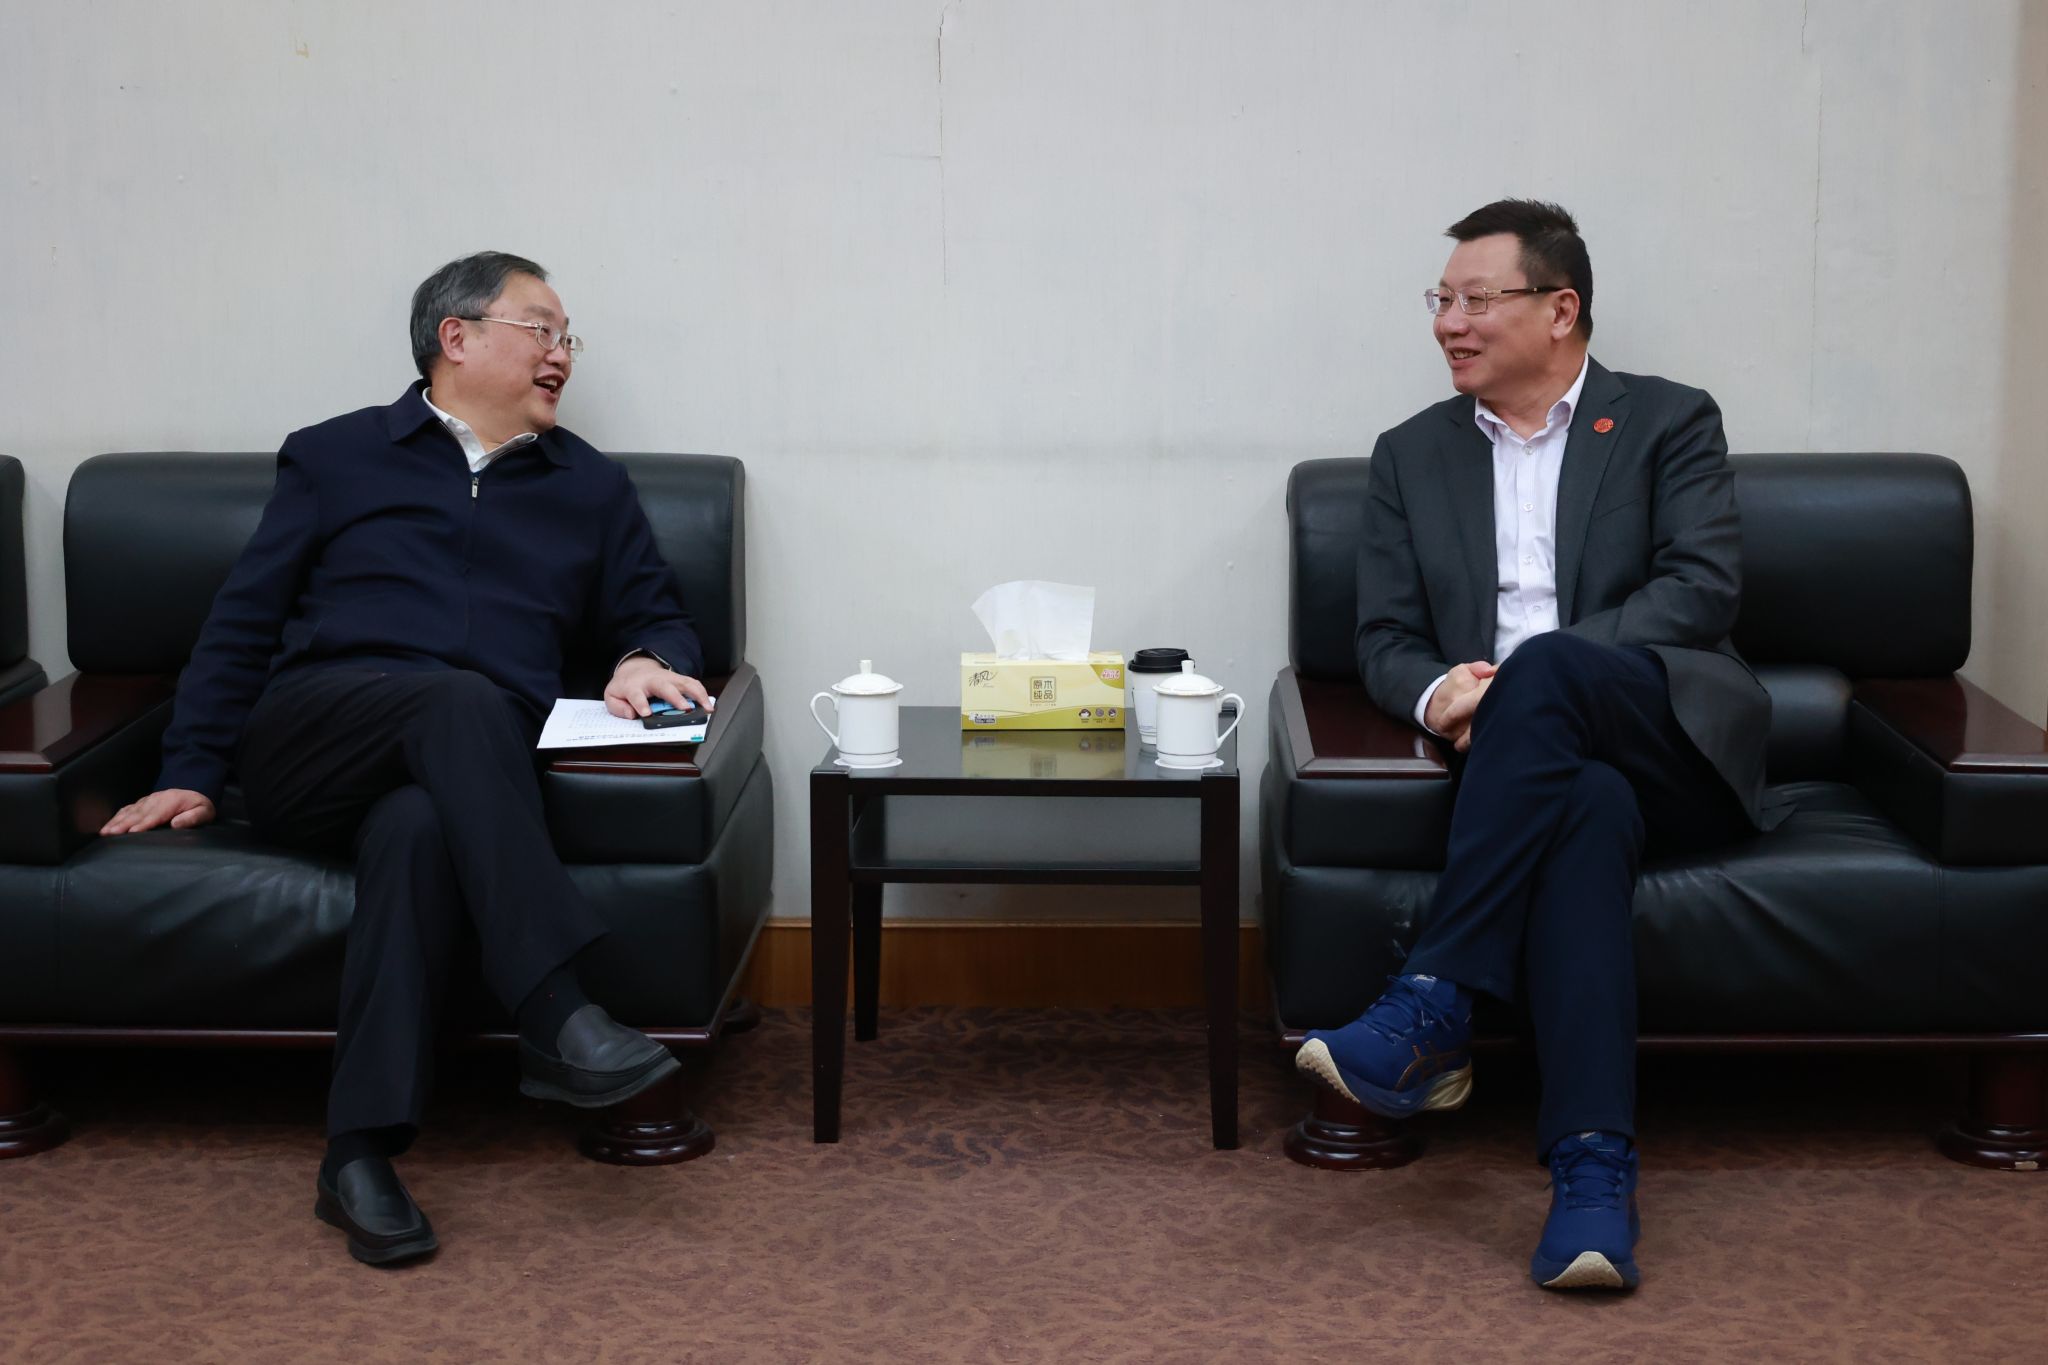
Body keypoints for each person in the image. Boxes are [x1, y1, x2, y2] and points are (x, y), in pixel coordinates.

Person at [101, 251, 713, 1267]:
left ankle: (358, 1153)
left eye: (568, 339)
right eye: (542, 329)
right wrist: (192, 768)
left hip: (463, 764)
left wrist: (645, 657)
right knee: (456, 694)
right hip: (315, 734)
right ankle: (555, 1008)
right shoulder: (336, 456)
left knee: (420, 826)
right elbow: (241, 623)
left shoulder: (589, 485)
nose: (562, 355)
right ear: (455, 337)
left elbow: (657, 610)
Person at [1294, 200, 1773, 1291]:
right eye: (1440, 300)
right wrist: (1441, 698)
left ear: (1559, 309)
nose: (1447, 323)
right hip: (1538, 767)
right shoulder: (1411, 455)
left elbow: (1699, 590)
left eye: (1475, 299)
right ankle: (1592, 1173)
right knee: (1586, 810)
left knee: (1551, 668)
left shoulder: (1667, 420)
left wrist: (1521, 680)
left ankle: (1432, 999)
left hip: (1671, 735)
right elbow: (1382, 638)